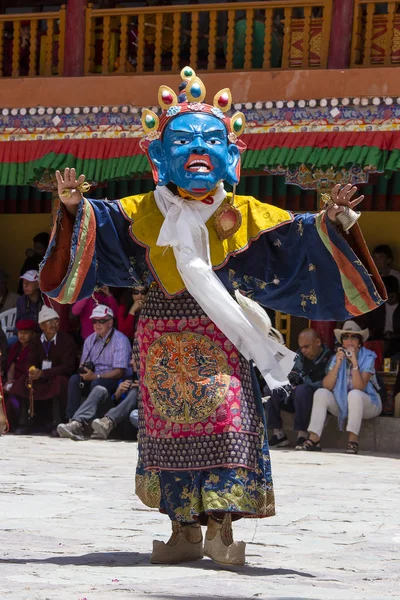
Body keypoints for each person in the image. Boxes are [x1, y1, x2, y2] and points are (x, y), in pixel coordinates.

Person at [40, 67, 384, 566]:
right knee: (171, 434)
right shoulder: (140, 212)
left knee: (227, 428)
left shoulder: (245, 214)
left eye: (210, 139)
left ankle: (222, 530)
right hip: (162, 349)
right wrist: (74, 209)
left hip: (224, 344)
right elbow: (97, 232)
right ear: (158, 157)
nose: (197, 147)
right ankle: (182, 531)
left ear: (231, 156)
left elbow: (297, 242)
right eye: (182, 140)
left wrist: (331, 223)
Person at [300, 321, 382, 455]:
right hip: (343, 403)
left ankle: (353, 440)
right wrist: (338, 365)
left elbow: (359, 387)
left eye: (353, 337)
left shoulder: (368, 357)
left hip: (369, 405)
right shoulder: (337, 357)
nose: (349, 341)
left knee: (354, 394)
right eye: (346, 337)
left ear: (359, 342)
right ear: (342, 342)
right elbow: (327, 385)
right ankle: (314, 438)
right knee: (321, 393)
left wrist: (354, 362)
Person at [58, 304, 131, 437]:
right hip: (93, 376)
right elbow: (83, 364)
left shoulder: (120, 340)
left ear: (110, 322)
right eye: (94, 321)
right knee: (74, 380)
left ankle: (89, 423)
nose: (97, 324)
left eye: (101, 321)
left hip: (111, 379)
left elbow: (119, 371)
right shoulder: (90, 339)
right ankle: (71, 419)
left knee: (97, 384)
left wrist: (96, 376)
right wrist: (84, 372)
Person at [9, 307, 77, 435]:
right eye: (49, 321)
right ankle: (23, 422)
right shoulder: (37, 341)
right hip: (41, 376)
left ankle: (57, 423)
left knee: (59, 382)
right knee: (24, 380)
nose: (53, 324)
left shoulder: (66, 340)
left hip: (57, 375)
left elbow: (68, 366)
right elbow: (29, 360)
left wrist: (44, 373)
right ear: (41, 325)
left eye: (56, 321)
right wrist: (32, 370)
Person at [266, 328, 333, 449]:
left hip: (312, 398)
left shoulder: (328, 357)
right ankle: (278, 433)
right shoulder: (299, 355)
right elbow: (288, 373)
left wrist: (304, 380)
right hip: (293, 395)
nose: (303, 350)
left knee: (303, 390)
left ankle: (302, 434)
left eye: (306, 347)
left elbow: (325, 383)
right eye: (301, 347)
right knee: (271, 388)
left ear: (317, 342)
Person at [58, 350, 139, 441]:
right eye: (131, 358)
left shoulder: (151, 381)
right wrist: (118, 393)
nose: (131, 362)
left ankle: (108, 422)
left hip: (125, 423)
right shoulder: (128, 377)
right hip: (106, 421)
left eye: (134, 359)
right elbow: (114, 402)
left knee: (136, 391)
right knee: (99, 389)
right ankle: (76, 424)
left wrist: (144, 389)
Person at [4, 319, 37, 431]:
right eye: (20, 332)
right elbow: (11, 367)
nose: (22, 336)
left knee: (19, 388)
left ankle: (20, 424)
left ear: (32, 334)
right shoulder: (15, 347)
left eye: (26, 333)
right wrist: (9, 382)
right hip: (14, 379)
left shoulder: (35, 347)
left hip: (27, 379)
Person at [366, 275, 400, 358]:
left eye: (392, 296)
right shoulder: (378, 306)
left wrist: (394, 335)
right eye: (386, 297)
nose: (389, 300)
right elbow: (369, 325)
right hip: (379, 340)